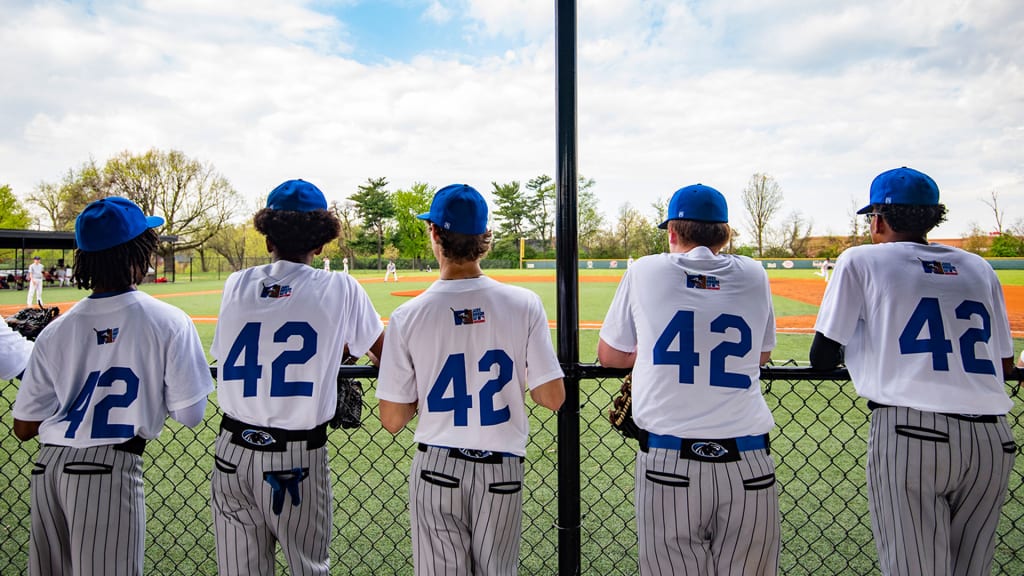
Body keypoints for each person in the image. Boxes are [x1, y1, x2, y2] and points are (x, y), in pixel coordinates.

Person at [810, 167, 1017, 576]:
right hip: (993, 439)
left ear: (879, 220)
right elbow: (1004, 363)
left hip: (912, 433)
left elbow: (822, 357)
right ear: (933, 218)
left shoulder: (860, 259)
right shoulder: (978, 267)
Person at [11, 196, 213, 576]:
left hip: (47, 469)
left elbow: (23, 428)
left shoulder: (56, 330)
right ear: (138, 255)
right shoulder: (168, 320)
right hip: (107, 469)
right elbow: (190, 414)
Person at [376, 183, 565, 576]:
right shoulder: (523, 303)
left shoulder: (408, 316)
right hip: (502, 469)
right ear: (484, 239)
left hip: (437, 466)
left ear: (434, 234)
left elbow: (393, 419)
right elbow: (552, 397)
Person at [598, 184, 780, 575]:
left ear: (673, 233)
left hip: (669, 460)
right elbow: (762, 354)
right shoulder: (753, 273)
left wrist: (647, 356)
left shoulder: (646, 269)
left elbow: (609, 356)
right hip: (749, 461)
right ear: (725, 235)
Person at [210, 179, 385, 576]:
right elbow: (386, 355)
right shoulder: (341, 286)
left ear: (268, 238)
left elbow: (229, 353)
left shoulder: (236, 284)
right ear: (320, 242)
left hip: (231, 452)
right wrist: (337, 355)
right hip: (296, 456)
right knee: (308, 567)